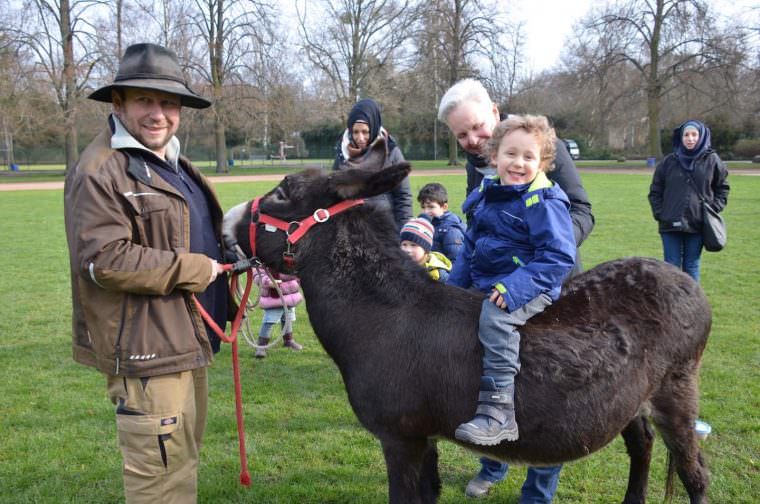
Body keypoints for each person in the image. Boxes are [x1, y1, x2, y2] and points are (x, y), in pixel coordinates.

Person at [63, 43, 229, 503]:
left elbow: (189, 233)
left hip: (185, 343)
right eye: (145, 100)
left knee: (180, 467)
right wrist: (196, 268)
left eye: (169, 102)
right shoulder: (101, 170)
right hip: (147, 353)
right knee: (160, 484)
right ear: (118, 104)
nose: (159, 113)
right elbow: (105, 259)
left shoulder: (172, 163)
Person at [439, 78, 595, 501]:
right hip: (493, 285)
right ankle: (492, 462)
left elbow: (579, 212)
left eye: (475, 127)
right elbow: (477, 236)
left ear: (494, 109)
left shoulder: (539, 147)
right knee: (482, 365)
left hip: (543, 283)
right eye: (461, 135)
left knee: (546, 392)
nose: (471, 140)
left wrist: (530, 255)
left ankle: (539, 489)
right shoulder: (484, 167)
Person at [448, 114, 575, 445]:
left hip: (532, 285)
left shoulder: (543, 201)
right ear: (494, 157)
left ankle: (499, 412)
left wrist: (514, 288)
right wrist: (449, 292)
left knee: (494, 319)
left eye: (529, 157)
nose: (518, 163)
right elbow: (470, 249)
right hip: (491, 280)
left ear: (543, 163)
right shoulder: (488, 193)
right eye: (510, 154)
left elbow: (559, 257)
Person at [648, 120, 729, 282]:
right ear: (681, 137)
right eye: (686, 135)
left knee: (692, 265)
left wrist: (712, 209)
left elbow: (722, 188)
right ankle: (671, 304)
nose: (690, 139)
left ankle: (692, 305)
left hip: (698, 224)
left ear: (701, 136)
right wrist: (660, 213)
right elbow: (655, 191)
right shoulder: (668, 162)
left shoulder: (712, 160)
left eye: (694, 135)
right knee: (670, 266)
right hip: (670, 223)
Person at [333, 98, 412, 230]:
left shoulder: (391, 151)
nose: (360, 138)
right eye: (356, 132)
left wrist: (403, 232)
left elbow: (403, 197)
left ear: (374, 127)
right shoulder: (342, 152)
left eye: (365, 132)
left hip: (384, 226)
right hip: (352, 226)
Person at [252, 271, 304, 358]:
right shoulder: (265, 260)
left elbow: (295, 273)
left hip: (289, 295)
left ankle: (288, 340)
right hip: (273, 298)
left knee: (288, 318)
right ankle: (261, 346)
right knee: (269, 321)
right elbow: (258, 275)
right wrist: (268, 281)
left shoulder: (289, 260)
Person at [417, 182, 466, 262]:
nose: (426, 211)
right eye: (423, 207)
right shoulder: (427, 225)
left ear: (444, 207)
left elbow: (456, 262)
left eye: (431, 207)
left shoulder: (451, 231)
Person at [400, 217, 452, 282]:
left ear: (425, 250)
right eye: (404, 244)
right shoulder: (397, 266)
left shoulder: (436, 274)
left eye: (413, 245)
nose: (407, 250)